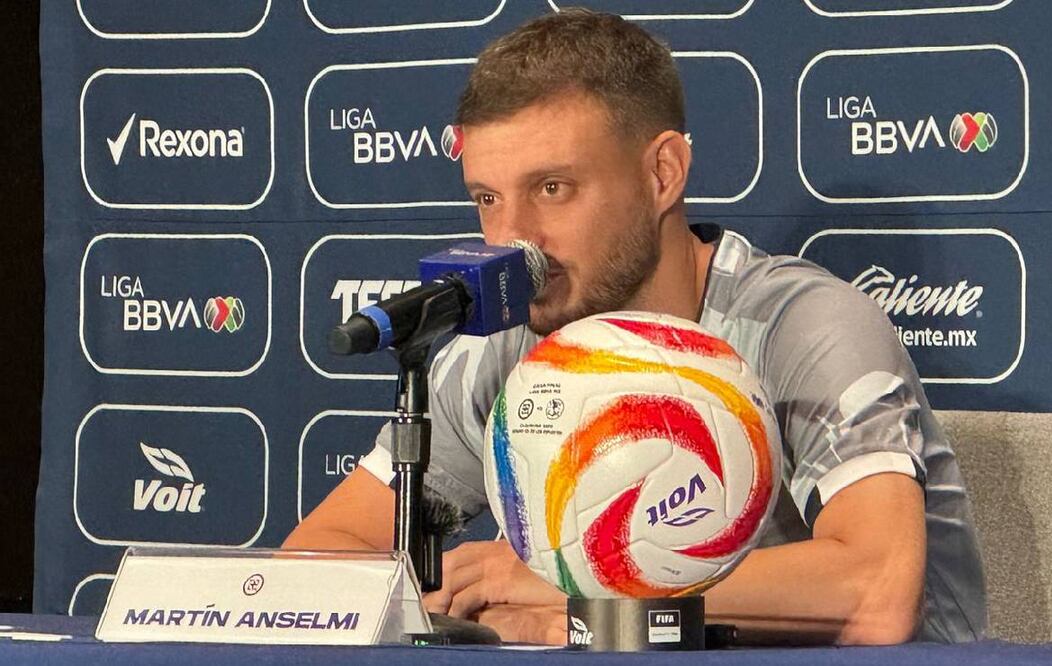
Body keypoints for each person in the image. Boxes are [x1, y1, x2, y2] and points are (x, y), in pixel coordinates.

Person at [285, 9, 986, 646]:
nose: (513, 239)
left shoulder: (801, 326)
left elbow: (875, 592)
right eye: (488, 198)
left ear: (662, 173)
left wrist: (580, 589)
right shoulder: (508, 348)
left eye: (552, 188)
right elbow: (318, 556)